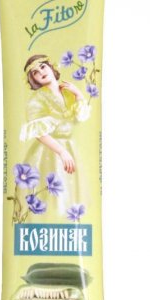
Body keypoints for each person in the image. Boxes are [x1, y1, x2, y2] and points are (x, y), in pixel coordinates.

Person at [20, 54, 91, 218]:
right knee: (50, 195)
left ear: (51, 67)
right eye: (35, 72)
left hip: (70, 147)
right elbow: (39, 132)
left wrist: (78, 94)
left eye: (43, 67)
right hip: (49, 150)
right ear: (33, 79)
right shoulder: (37, 99)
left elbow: (81, 117)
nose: (41, 72)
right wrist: (61, 151)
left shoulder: (67, 92)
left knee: (70, 195)